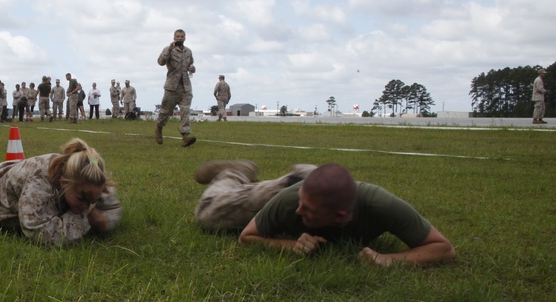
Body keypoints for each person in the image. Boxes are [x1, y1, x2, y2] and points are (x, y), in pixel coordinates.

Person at [193, 160, 456, 266]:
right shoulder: (291, 200)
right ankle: (235, 172)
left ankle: (309, 172)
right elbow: (247, 237)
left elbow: (443, 247)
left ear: (341, 216)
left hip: (321, 186)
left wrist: (389, 260)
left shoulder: (380, 204)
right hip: (295, 184)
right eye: (302, 205)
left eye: (308, 211)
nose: (299, 211)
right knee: (207, 215)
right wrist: (289, 245)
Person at [0, 138, 122, 247]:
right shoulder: (39, 183)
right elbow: (38, 232)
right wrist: (86, 218)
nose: (87, 204)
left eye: (94, 199)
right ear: (64, 182)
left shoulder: (91, 177)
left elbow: (111, 207)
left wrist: (104, 219)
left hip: (6, 175)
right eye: (82, 198)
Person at [156, 29, 196, 146]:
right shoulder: (169, 50)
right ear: (174, 37)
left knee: (185, 110)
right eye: (177, 36)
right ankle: (159, 128)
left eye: (181, 36)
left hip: (185, 87)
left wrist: (192, 69)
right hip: (171, 87)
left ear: (185, 38)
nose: (179, 38)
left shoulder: (188, 52)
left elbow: (190, 64)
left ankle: (185, 136)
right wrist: (169, 49)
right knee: (165, 111)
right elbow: (160, 62)